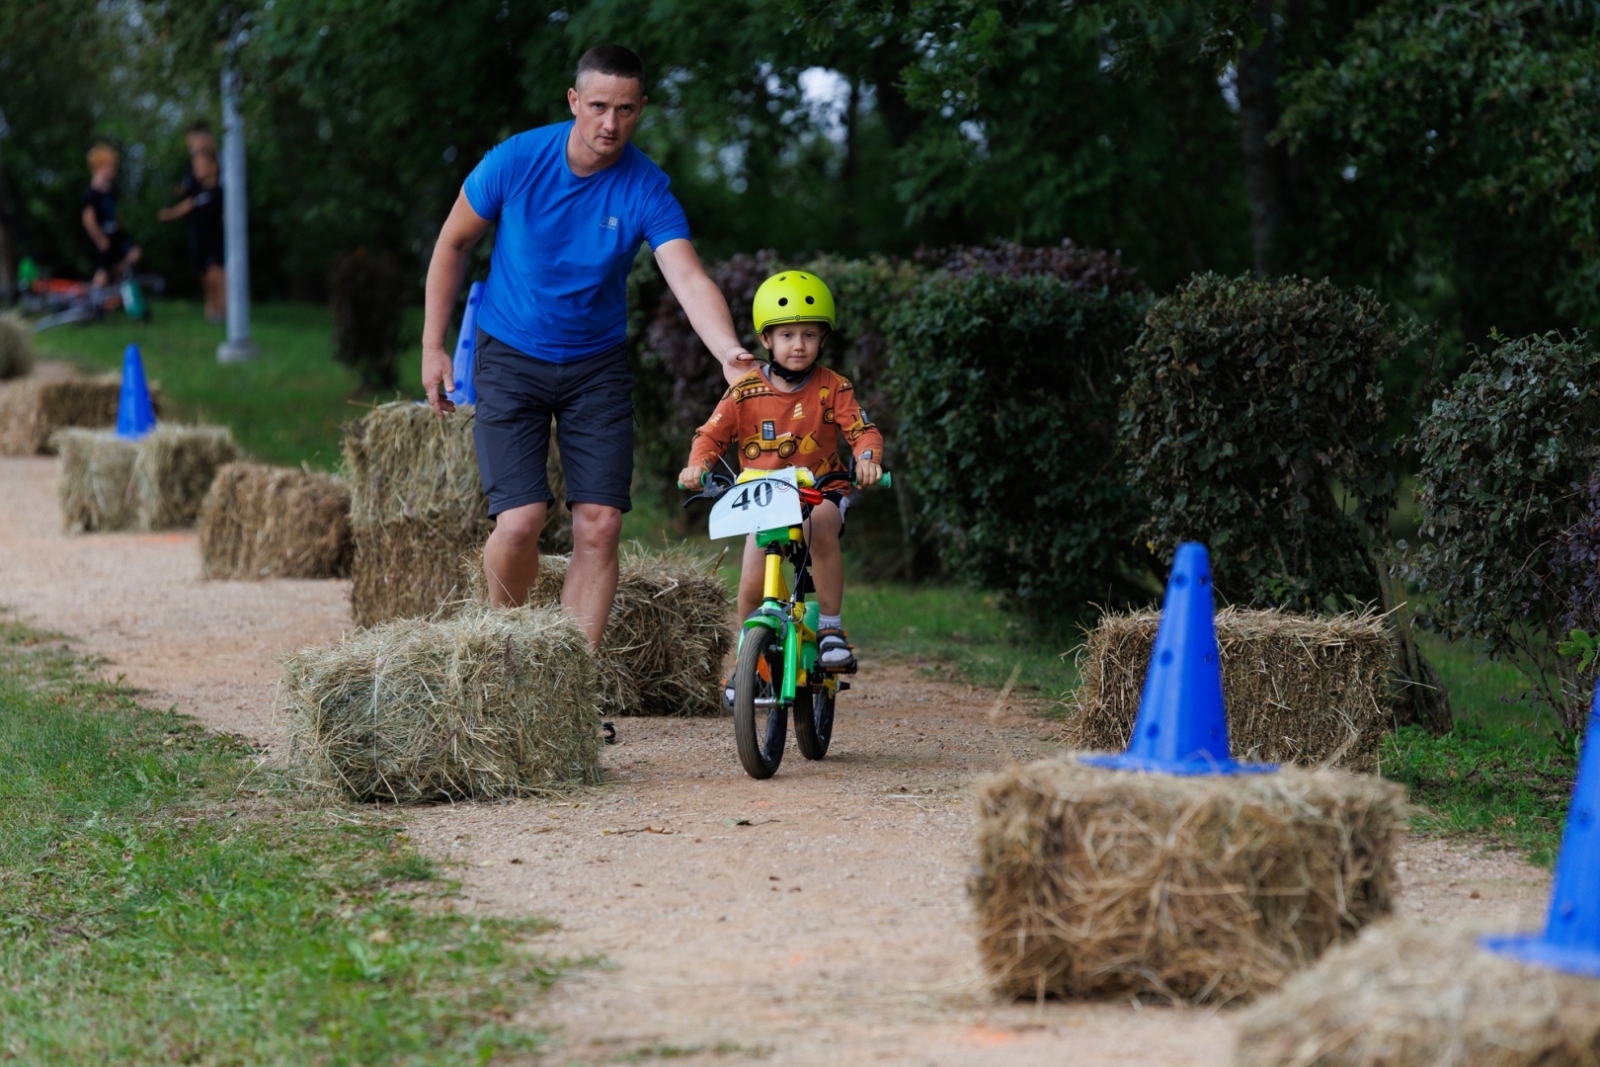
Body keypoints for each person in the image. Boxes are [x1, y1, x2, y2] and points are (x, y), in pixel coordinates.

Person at [420, 44, 758, 661]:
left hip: (595, 367)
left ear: (641, 109)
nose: (611, 123)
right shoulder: (517, 160)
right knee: (520, 521)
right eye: (599, 106)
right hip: (510, 353)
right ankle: (508, 655)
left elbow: (688, 279)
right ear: (574, 101)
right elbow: (452, 244)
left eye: (626, 110)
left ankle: (571, 686)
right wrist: (433, 347)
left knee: (600, 525)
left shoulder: (647, 187)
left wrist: (731, 354)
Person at [677, 270, 884, 679]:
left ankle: (830, 629)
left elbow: (863, 431)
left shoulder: (833, 387)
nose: (799, 345)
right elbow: (711, 435)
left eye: (809, 335)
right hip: (764, 500)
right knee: (751, 585)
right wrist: (697, 465)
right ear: (766, 340)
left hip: (818, 494)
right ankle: (748, 661)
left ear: (823, 339)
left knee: (820, 526)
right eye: (787, 335)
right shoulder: (745, 391)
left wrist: (866, 458)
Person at [158, 148, 226, 323]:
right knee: (204, 277)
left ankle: (224, 310)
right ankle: (211, 311)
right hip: (198, 239)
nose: (195, 170)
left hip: (214, 239)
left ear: (213, 166)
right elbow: (187, 206)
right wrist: (170, 213)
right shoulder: (197, 192)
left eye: (199, 166)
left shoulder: (220, 192)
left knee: (216, 274)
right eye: (194, 166)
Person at [81, 144, 141, 288]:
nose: (114, 169)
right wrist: (100, 239)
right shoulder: (92, 193)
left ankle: (115, 278)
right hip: (103, 236)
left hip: (115, 233)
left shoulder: (111, 189)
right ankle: (93, 301)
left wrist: (119, 227)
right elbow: (88, 219)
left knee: (134, 254)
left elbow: (115, 212)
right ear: (99, 167)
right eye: (110, 166)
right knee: (102, 273)